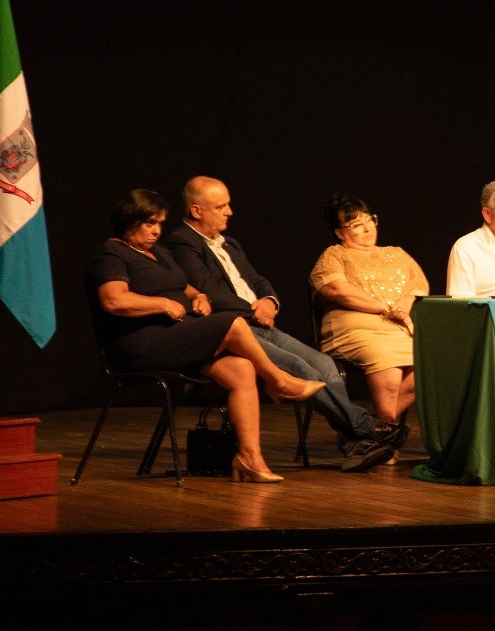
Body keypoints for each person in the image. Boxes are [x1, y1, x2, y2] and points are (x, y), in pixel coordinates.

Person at [164, 175, 406, 472]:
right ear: (196, 211)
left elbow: (257, 280)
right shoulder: (182, 242)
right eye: (221, 206)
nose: (230, 212)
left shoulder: (230, 243)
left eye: (228, 205)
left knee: (325, 365)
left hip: (259, 323)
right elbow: (209, 289)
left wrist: (268, 301)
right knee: (299, 368)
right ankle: (370, 429)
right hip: (229, 329)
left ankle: (354, 440)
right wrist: (254, 311)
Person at [87, 189, 325, 484]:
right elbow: (114, 301)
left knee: (241, 369)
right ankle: (278, 380)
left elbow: (182, 286)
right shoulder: (111, 254)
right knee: (233, 322)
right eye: (149, 223)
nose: (156, 231)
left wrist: (199, 296)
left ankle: (249, 458)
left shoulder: (158, 252)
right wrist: (161, 304)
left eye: (160, 223)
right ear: (128, 220)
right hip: (141, 344)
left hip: (179, 338)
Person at [309, 193, 429, 448]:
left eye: (369, 220)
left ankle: (374, 432)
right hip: (353, 329)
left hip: (398, 327)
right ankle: (383, 439)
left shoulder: (396, 253)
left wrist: (404, 304)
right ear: (340, 233)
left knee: (430, 362)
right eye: (355, 224)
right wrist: (385, 307)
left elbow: (418, 286)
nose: (366, 228)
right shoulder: (334, 255)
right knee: (387, 357)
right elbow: (337, 291)